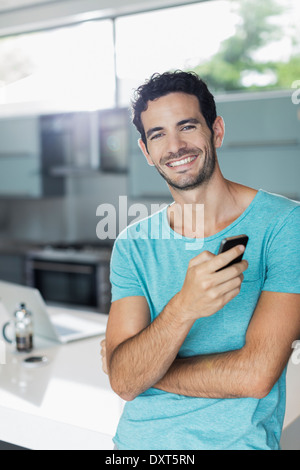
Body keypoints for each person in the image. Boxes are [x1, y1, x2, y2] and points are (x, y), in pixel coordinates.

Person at [100, 71, 300, 450]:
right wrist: (184, 308)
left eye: (187, 126)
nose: (175, 146)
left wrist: (140, 371)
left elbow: (255, 375)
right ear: (146, 152)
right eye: (158, 134)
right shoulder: (133, 244)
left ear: (217, 131)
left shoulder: (286, 226)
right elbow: (124, 384)